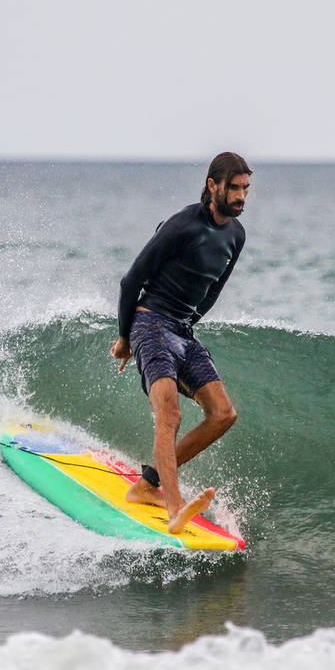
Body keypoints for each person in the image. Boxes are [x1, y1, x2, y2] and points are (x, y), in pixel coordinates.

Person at [110, 152, 251, 534]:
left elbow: (212, 292)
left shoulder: (235, 235)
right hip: (150, 322)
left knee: (223, 414)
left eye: (246, 189)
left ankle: (146, 485)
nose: (241, 196)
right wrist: (126, 338)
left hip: (182, 330)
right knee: (169, 415)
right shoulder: (181, 225)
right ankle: (173, 506)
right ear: (213, 185)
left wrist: (188, 325)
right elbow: (130, 281)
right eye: (234, 188)